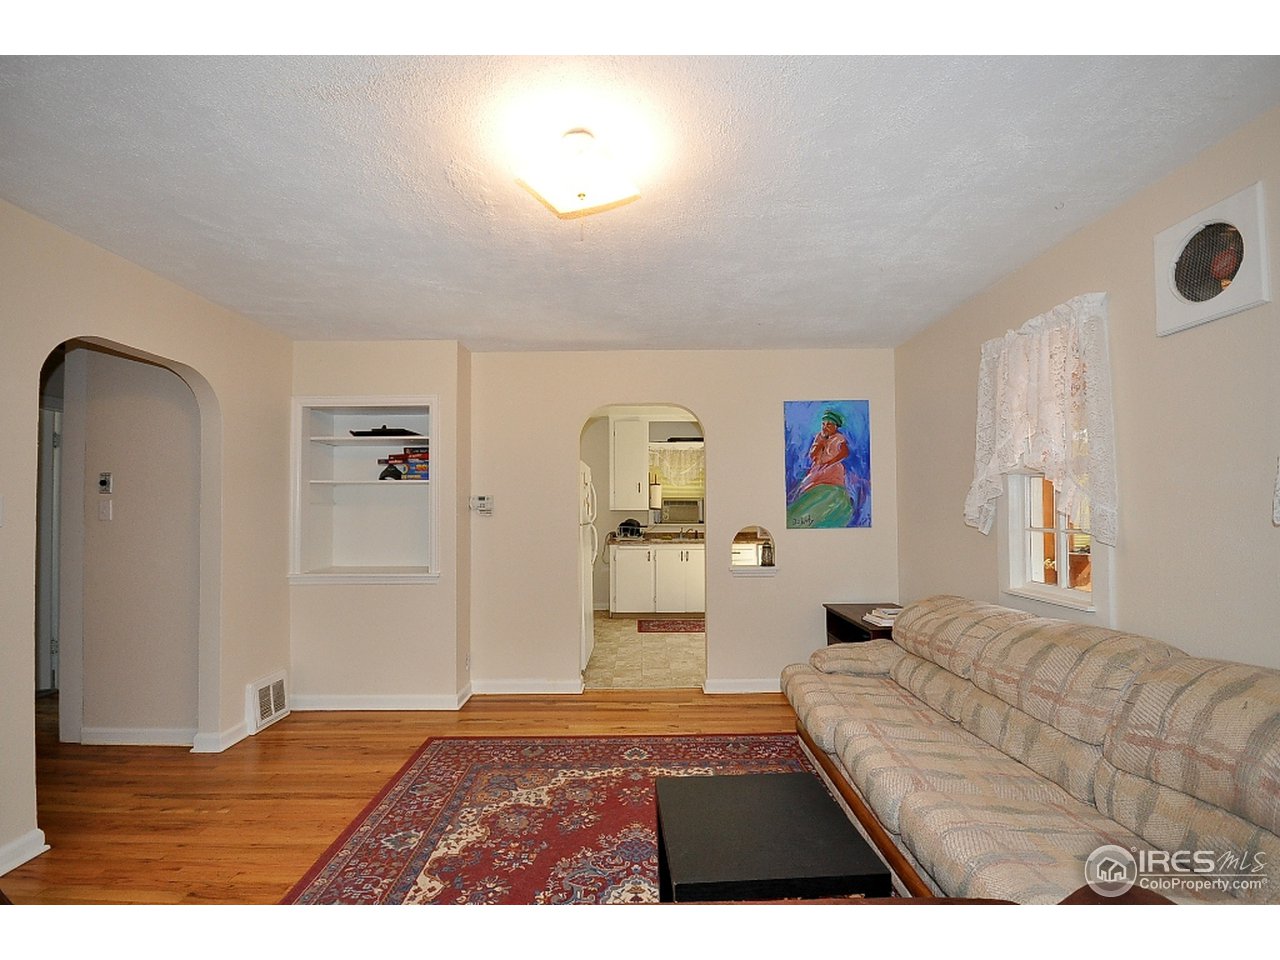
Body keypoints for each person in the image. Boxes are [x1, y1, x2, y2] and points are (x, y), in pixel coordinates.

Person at [787, 408, 855, 528]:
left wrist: (831, 462)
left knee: (828, 483)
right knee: (805, 486)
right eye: (823, 424)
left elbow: (845, 452)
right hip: (818, 468)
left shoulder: (838, 438)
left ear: (835, 426)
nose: (825, 427)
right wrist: (821, 442)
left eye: (829, 424)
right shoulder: (819, 437)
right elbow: (813, 455)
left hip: (832, 468)